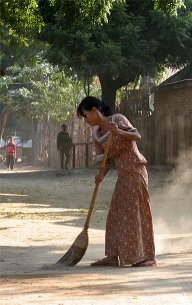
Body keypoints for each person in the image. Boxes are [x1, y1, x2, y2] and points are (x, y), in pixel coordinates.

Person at [77, 96, 156, 267]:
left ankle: (143, 257)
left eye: (86, 116)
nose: (86, 120)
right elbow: (106, 162)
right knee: (115, 213)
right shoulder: (96, 136)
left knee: (133, 212)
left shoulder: (118, 119)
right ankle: (113, 255)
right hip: (123, 174)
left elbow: (137, 136)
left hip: (136, 170)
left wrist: (119, 131)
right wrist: (101, 176)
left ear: (94, 110)